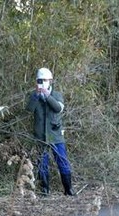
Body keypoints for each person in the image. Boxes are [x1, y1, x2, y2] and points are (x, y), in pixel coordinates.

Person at [26, 67, 74, 196]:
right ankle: (45, 190)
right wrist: (36, 96)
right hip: (41, 136)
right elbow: (29, 109)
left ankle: (68, 189)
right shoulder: (34, 95)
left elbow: (58, 108)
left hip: (55, 135)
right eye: (39, 80)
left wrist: (47, 96)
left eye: (44, 80)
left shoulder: (57, 95)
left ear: (50, 81)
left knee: (62, 161)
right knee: (42, 163)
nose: (42, 83)